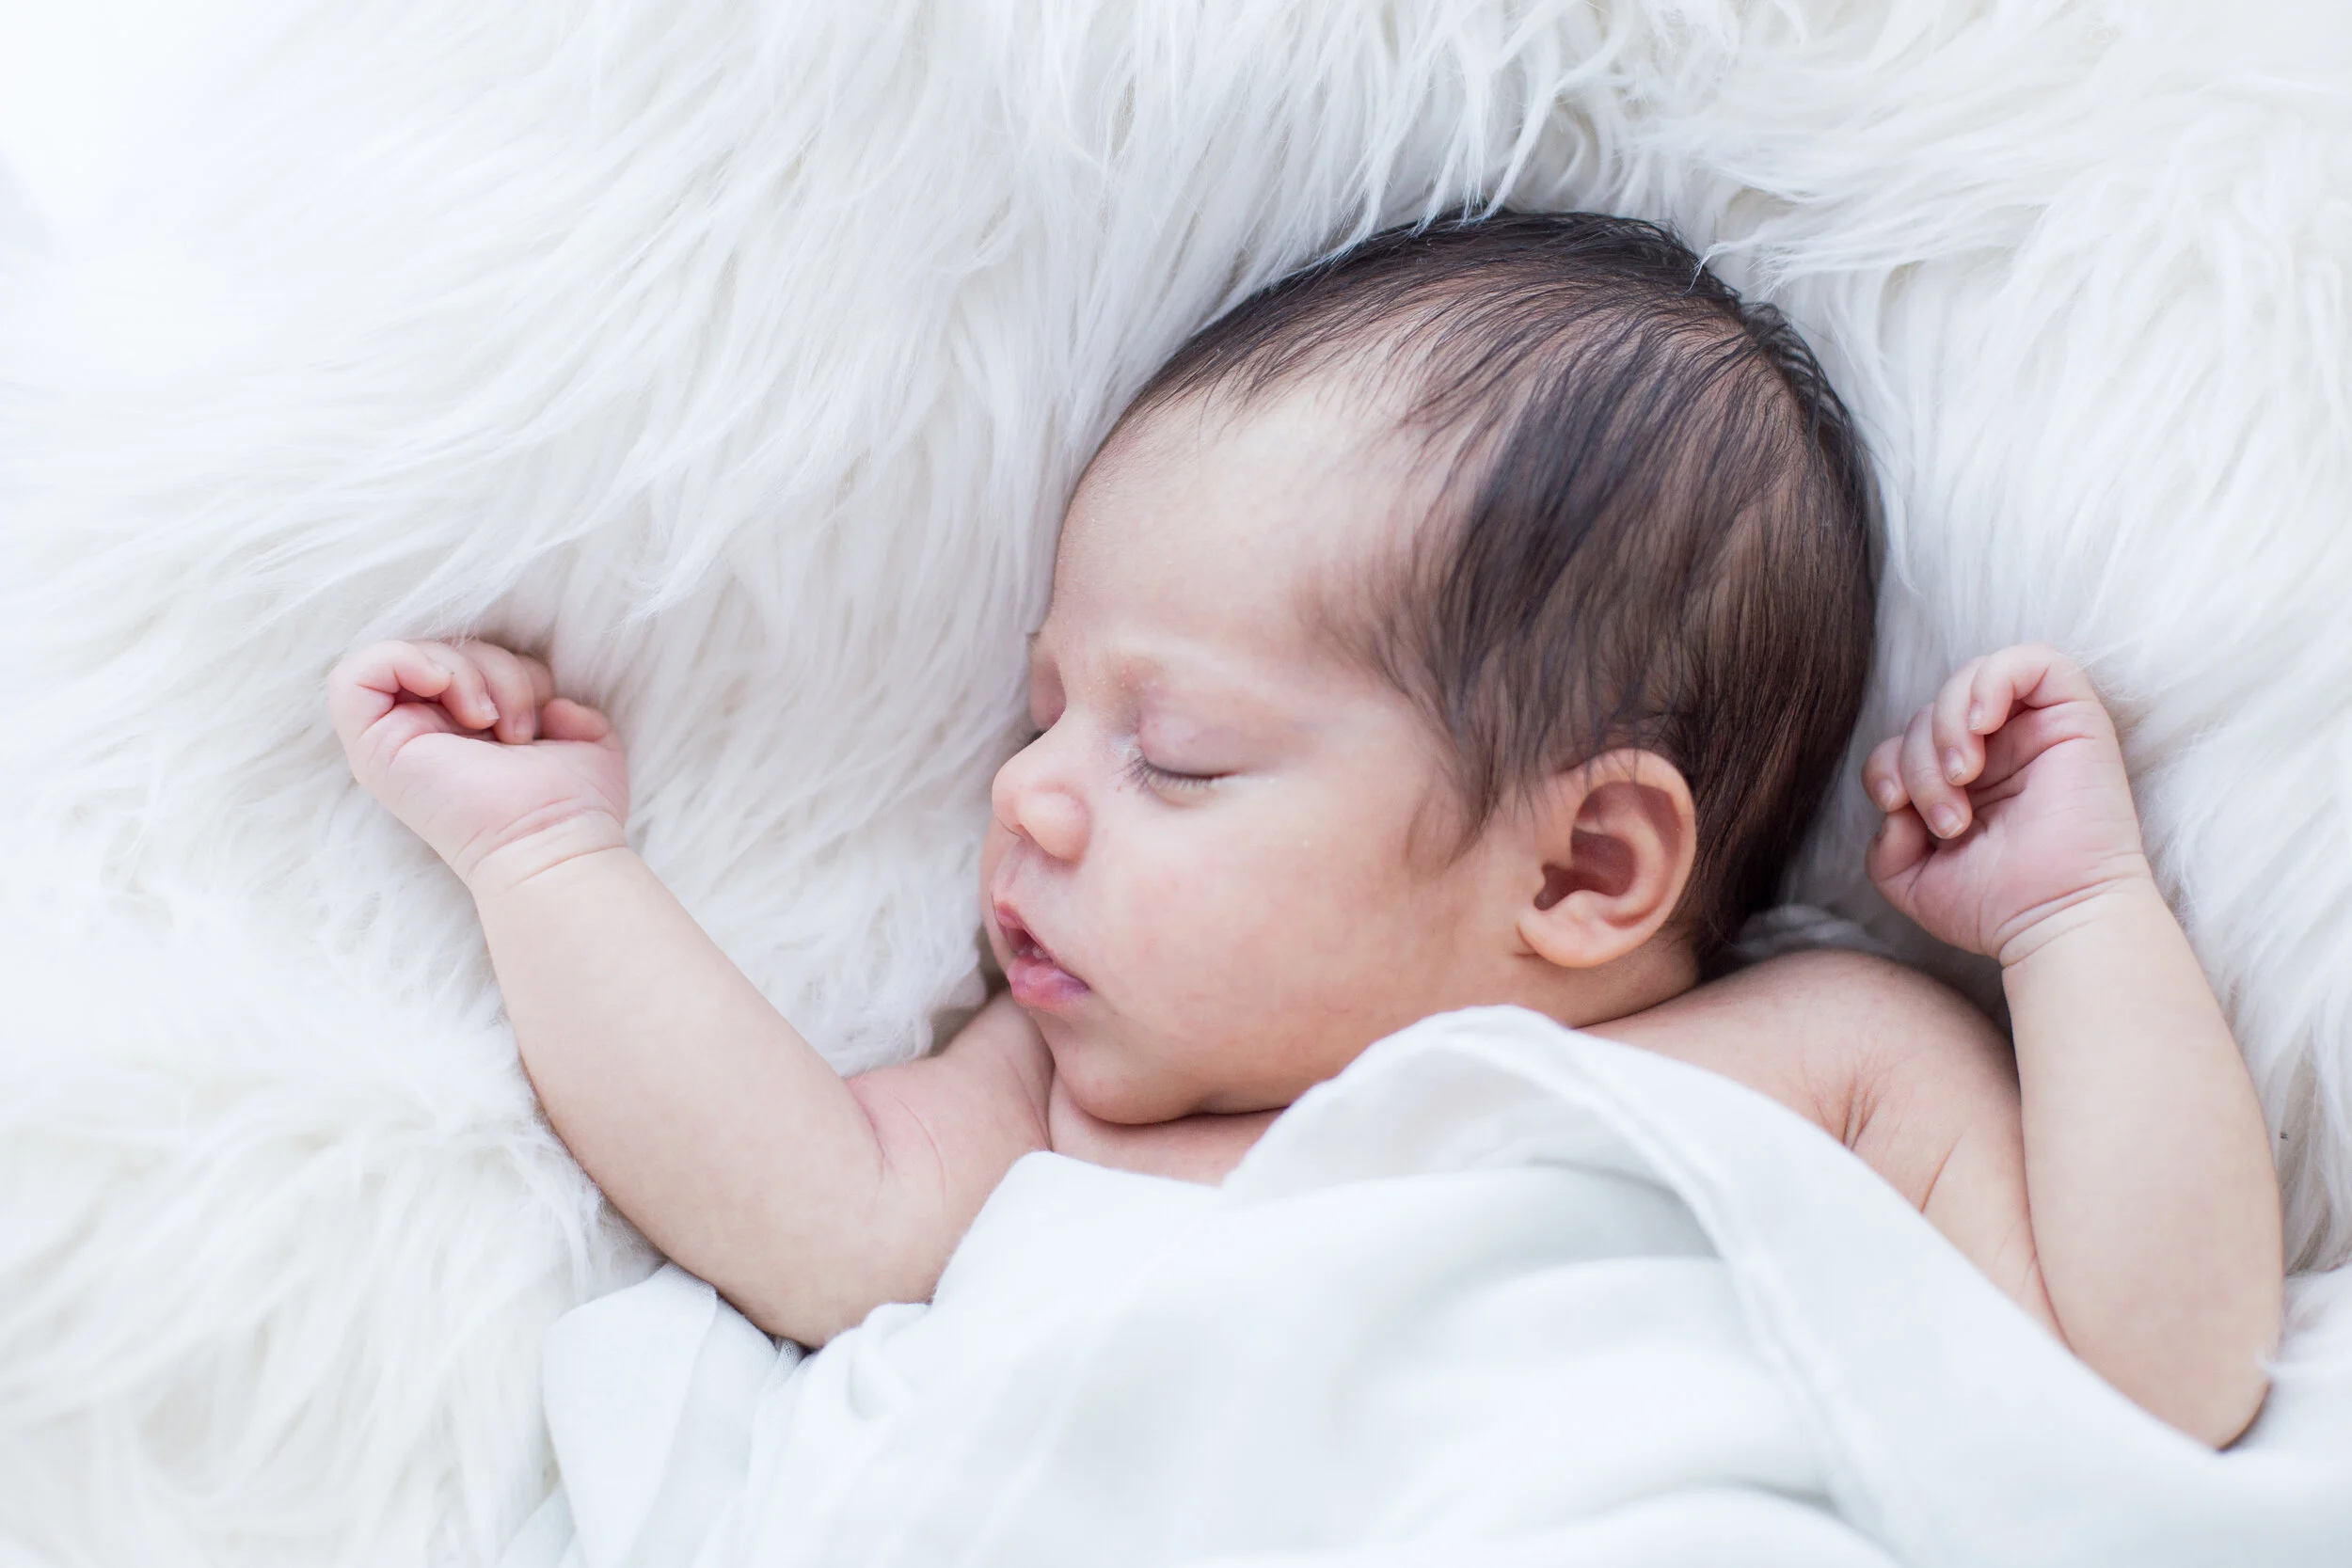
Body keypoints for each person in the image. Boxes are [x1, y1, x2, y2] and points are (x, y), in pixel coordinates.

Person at [327, 213, 2280, 1447]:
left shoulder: (1827, 1061)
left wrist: (2075, 917)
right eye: (1039, 710)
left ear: (1588, 869)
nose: (1024, 792)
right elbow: (800, 1206)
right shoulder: (1057, 1097)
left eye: (1170, 753)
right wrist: (547, 858)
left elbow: (2162, 1374)